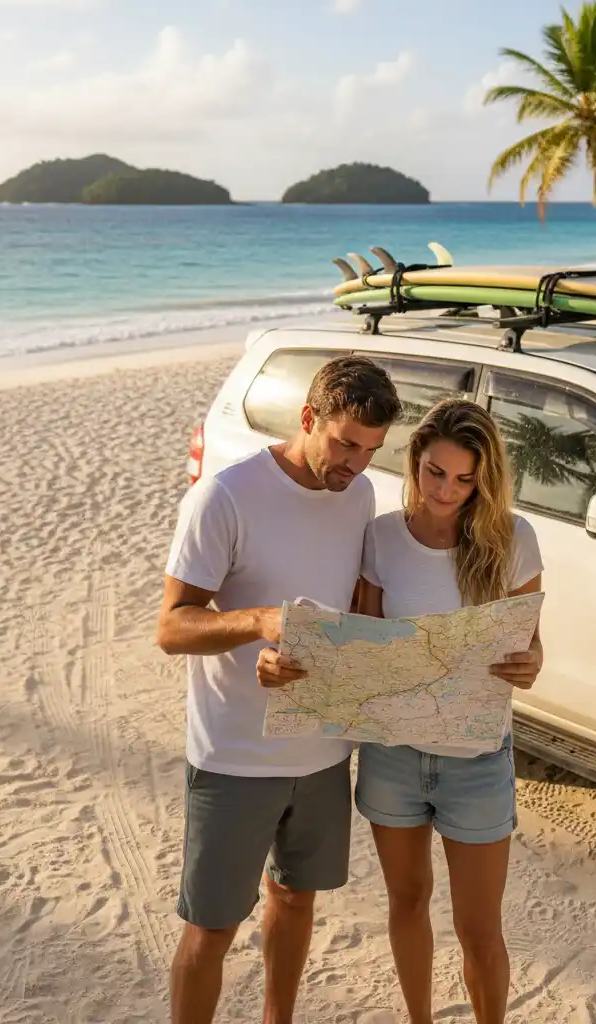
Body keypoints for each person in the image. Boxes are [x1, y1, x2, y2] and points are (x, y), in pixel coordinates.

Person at [156, 354, 401, 1024]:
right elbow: (172, 627)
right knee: (211, 927)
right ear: (308, 418)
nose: (354, 463)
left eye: (371, 450)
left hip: (322, 754)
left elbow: (346, 614)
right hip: (235, 757)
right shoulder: (226, 496)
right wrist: (260, 623)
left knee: (295, 900)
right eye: (346, 443)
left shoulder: (359, 494)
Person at [354, 397, 544, 1024]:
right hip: (393, 756)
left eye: (466, 480)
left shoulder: (514, 538)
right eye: (436, 472)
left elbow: (529, 642)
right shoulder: (380, 536)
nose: (447, 491)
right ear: (414, 461)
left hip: (478, 759)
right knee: (407, 904)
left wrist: (530, 663)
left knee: (479, 929)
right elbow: (364, 640)